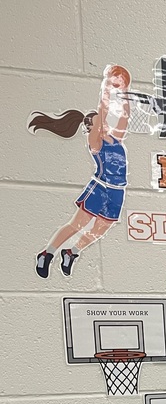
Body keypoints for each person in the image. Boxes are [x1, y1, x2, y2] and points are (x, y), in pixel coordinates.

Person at [28, 65, 131, 279]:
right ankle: (47, 253)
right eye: (98, 123)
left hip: (117, 190)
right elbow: (102, 111)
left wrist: (124, 89)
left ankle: (71, 252)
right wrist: (106, 86)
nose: (103, 124)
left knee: (101, 229)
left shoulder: (116, 139)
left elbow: (124, 116)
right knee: (77, 225)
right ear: (92, 127)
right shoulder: (95, 141)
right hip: (101, 187)